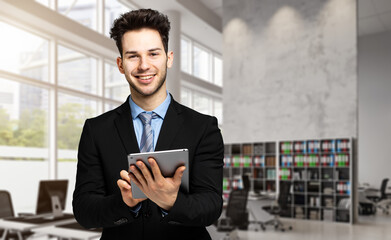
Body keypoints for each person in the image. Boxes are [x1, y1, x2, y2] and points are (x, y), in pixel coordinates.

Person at [72, 9, 224, 240]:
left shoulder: (203, 128)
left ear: (168, 58)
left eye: (153, 54)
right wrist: (125, 203)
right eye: (133, 56)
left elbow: (211, 206)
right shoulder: (96, 130)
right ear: (121, 64)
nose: (144, 65)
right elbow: (84, 210)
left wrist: (171, 200)